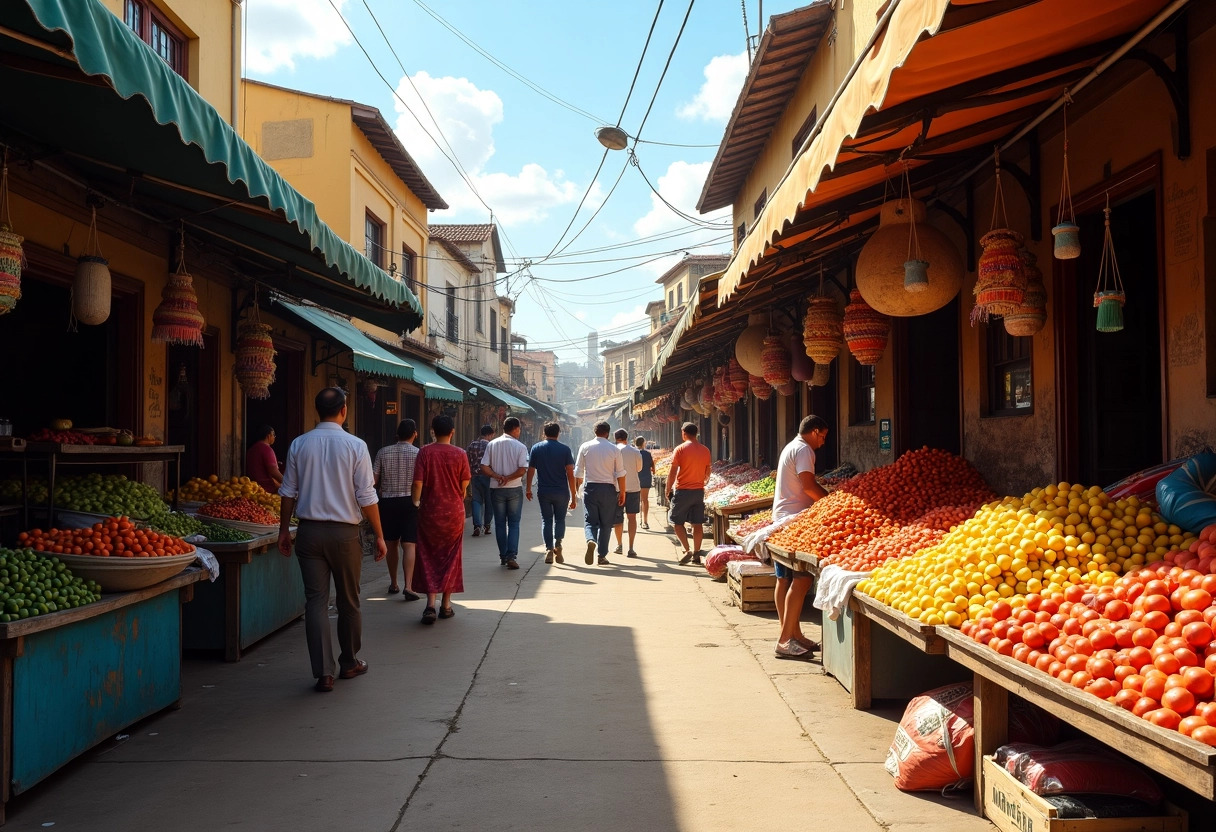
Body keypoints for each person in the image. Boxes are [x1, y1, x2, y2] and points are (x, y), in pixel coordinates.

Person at [278, 387, 385, 693]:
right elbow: (367, 496)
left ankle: (324, 673)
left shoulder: (299, 444)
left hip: (309, 533)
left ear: (317, 411)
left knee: (316, 602)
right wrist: (379, 535)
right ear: (344, 410)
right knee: (349, 599)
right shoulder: (355, 446)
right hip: (344, 534)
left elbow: (288, 492)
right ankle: (349, 662)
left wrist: (284, 530)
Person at [771, 415, 830, 661]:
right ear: (815, 432)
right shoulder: (805, 450)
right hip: (794, 520)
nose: (823, 443)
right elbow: (808, 486)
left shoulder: (791, 446)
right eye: (823, 437)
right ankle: (785, 640)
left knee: (784, 580)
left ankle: (793, 634)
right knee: (802, 579)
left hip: (783, 519)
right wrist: (829, 501)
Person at [412, 415, 472, 624]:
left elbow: (418, 483)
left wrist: (416, 502)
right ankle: (446, 605)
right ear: (452, 432)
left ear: (432, 431)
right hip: (454, 512)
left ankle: (430, 604)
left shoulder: (425, 452)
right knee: (451, 556)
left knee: (428, 554)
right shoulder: (460, 454)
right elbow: (464, 483)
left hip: (430, 511)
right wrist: (458, 494)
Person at [373, 419, 421, 601]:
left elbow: (373, 480)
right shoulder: (419, 453)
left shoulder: (383, 452)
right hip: (410, 502)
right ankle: (409, 585)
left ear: (397, 435)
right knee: (409, 544)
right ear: (414, 434)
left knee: (391, 543)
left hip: (388, 502)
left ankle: (393, 583)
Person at [573, 421, 626, 565]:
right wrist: (622, 492)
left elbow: (578, 472)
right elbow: (620, 473)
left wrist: (578, 491)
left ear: (594, 431)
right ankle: (601, 555)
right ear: (608, 433)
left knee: (590, 521)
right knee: (606, 524)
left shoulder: (585, 446)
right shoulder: (614, 449)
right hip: (608, 490)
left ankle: (591, 539)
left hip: (590, 488)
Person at [525, 421, 577, 564]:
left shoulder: (536, 448)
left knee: (546, 520)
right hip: (561, 491)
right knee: (560, 520)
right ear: (558, 433)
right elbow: (570, 474)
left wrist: (528, 488)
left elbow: (530, 470)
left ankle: (549, 548)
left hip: (544, 491)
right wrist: (574, 495)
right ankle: (558, 544)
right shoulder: (565, 449)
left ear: (544, 433)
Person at [481, 416, 529, 569]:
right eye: (519, 429)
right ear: (515, 429)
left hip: (496, 488)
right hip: (514, 488)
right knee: (514, 524)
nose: (519, 432)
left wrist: (498, 477)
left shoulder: (492, 444)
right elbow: (522, 470)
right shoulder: (520, 446)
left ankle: (503, 556)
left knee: (500, 524)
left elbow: (484, 467)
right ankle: (511, 556)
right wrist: (508, 478)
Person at [667, 422, 713, 566]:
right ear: (696, 433)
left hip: (683, 491)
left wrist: (667, 488)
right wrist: (702, 482)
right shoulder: (705, 450)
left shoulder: (680, 449)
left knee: (676, 522)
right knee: (697, 523)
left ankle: (687, 550)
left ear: (683, 433)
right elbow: (708, 472)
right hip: (698, 491)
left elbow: (673, 471)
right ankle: (697, 553)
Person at [612, 429, 643, 558]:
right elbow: (639, 468)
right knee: (632, 518)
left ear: (615, 438)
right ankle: (631, 547)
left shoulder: (613, 450)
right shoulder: (635, 451)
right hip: (633, 488)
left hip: (617, 489)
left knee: (618, 518)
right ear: (626, 437)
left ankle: (619, 545)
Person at [466, 425, 494, 536]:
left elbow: (467, 460)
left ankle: (477, 525)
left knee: (476, 501)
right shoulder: (491, 445)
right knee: (489, 501)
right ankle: (487, 526)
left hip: (474, 476)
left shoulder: (472, 445)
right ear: (489, 434)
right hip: (488, 476)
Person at [246, 424, 282, 494]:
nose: (274, 437)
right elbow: (273, 471)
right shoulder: (267, 449)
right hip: (267, 489)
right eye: (273, 435)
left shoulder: (251, 449)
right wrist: (287, 482)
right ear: (268, 436)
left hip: (252, 488)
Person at [636, 436, 654, 530]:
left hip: (636, 478)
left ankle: (638, 520)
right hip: (646, 478)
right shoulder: (647, 454)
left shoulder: (634, 453)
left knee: (637, 499)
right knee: (645, 500)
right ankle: (645, 521)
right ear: (643, 443)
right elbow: (652, 466)